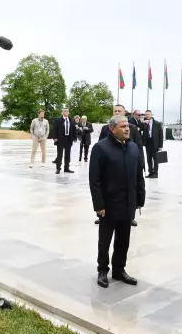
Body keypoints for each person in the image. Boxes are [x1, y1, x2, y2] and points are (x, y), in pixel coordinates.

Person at [89, 115, 146, 288]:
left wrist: (140, 198)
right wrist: (99, 205)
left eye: (127, 125)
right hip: (109, 204)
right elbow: (95, 180)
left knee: (124, 239)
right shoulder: (100, 148)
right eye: (123, 126)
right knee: (105, 240)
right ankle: (102, 270)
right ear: (112, 129)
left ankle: (119, 269)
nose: (127, 129)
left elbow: (139, 175)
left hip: (128, 202)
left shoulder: (133, 148)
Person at [53, 108, 76, 174]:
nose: (66, 112)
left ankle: (66, 168)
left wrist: (74, 137)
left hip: (68, 139)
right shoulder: (58, 120)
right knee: (59, 155)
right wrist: (55, 137)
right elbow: (55, 129)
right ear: (62, 112)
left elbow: (73, 129)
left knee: (67, 155)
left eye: (67, 111)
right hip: (60, 139)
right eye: (65, 111)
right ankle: (58, 168)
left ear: (69, 113)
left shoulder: (71, 120)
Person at [143, 110, 163, 178]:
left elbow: (161, 135)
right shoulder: (144, 123)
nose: (147, 116)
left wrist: (160, 146)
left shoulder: (157, 124)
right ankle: (150, 172)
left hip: (155, 143)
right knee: (149, 158)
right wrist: (143, 123)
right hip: (147, 142)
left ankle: (155, 173)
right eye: (146, 114)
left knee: (156, 159)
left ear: (151, 115)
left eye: (148, 114)